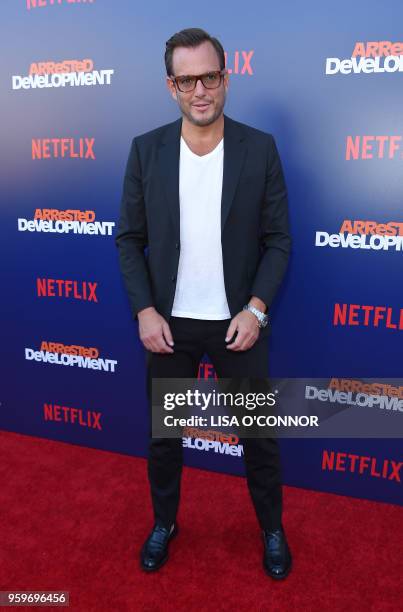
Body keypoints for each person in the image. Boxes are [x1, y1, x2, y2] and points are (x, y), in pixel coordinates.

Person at [115, 27, 292, 580]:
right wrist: (144, 310)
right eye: (186, 79)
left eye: (209, 77)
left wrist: (257, 309)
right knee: (164, 439)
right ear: (172, 86)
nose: (200, 90)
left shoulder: (258, 148)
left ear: (225, 78)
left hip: (239, 325)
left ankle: (272, 530)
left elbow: (278, 239)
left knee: (259, 439)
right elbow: (128, 238)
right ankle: (165, 523)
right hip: (169, 328)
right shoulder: (147, 149)